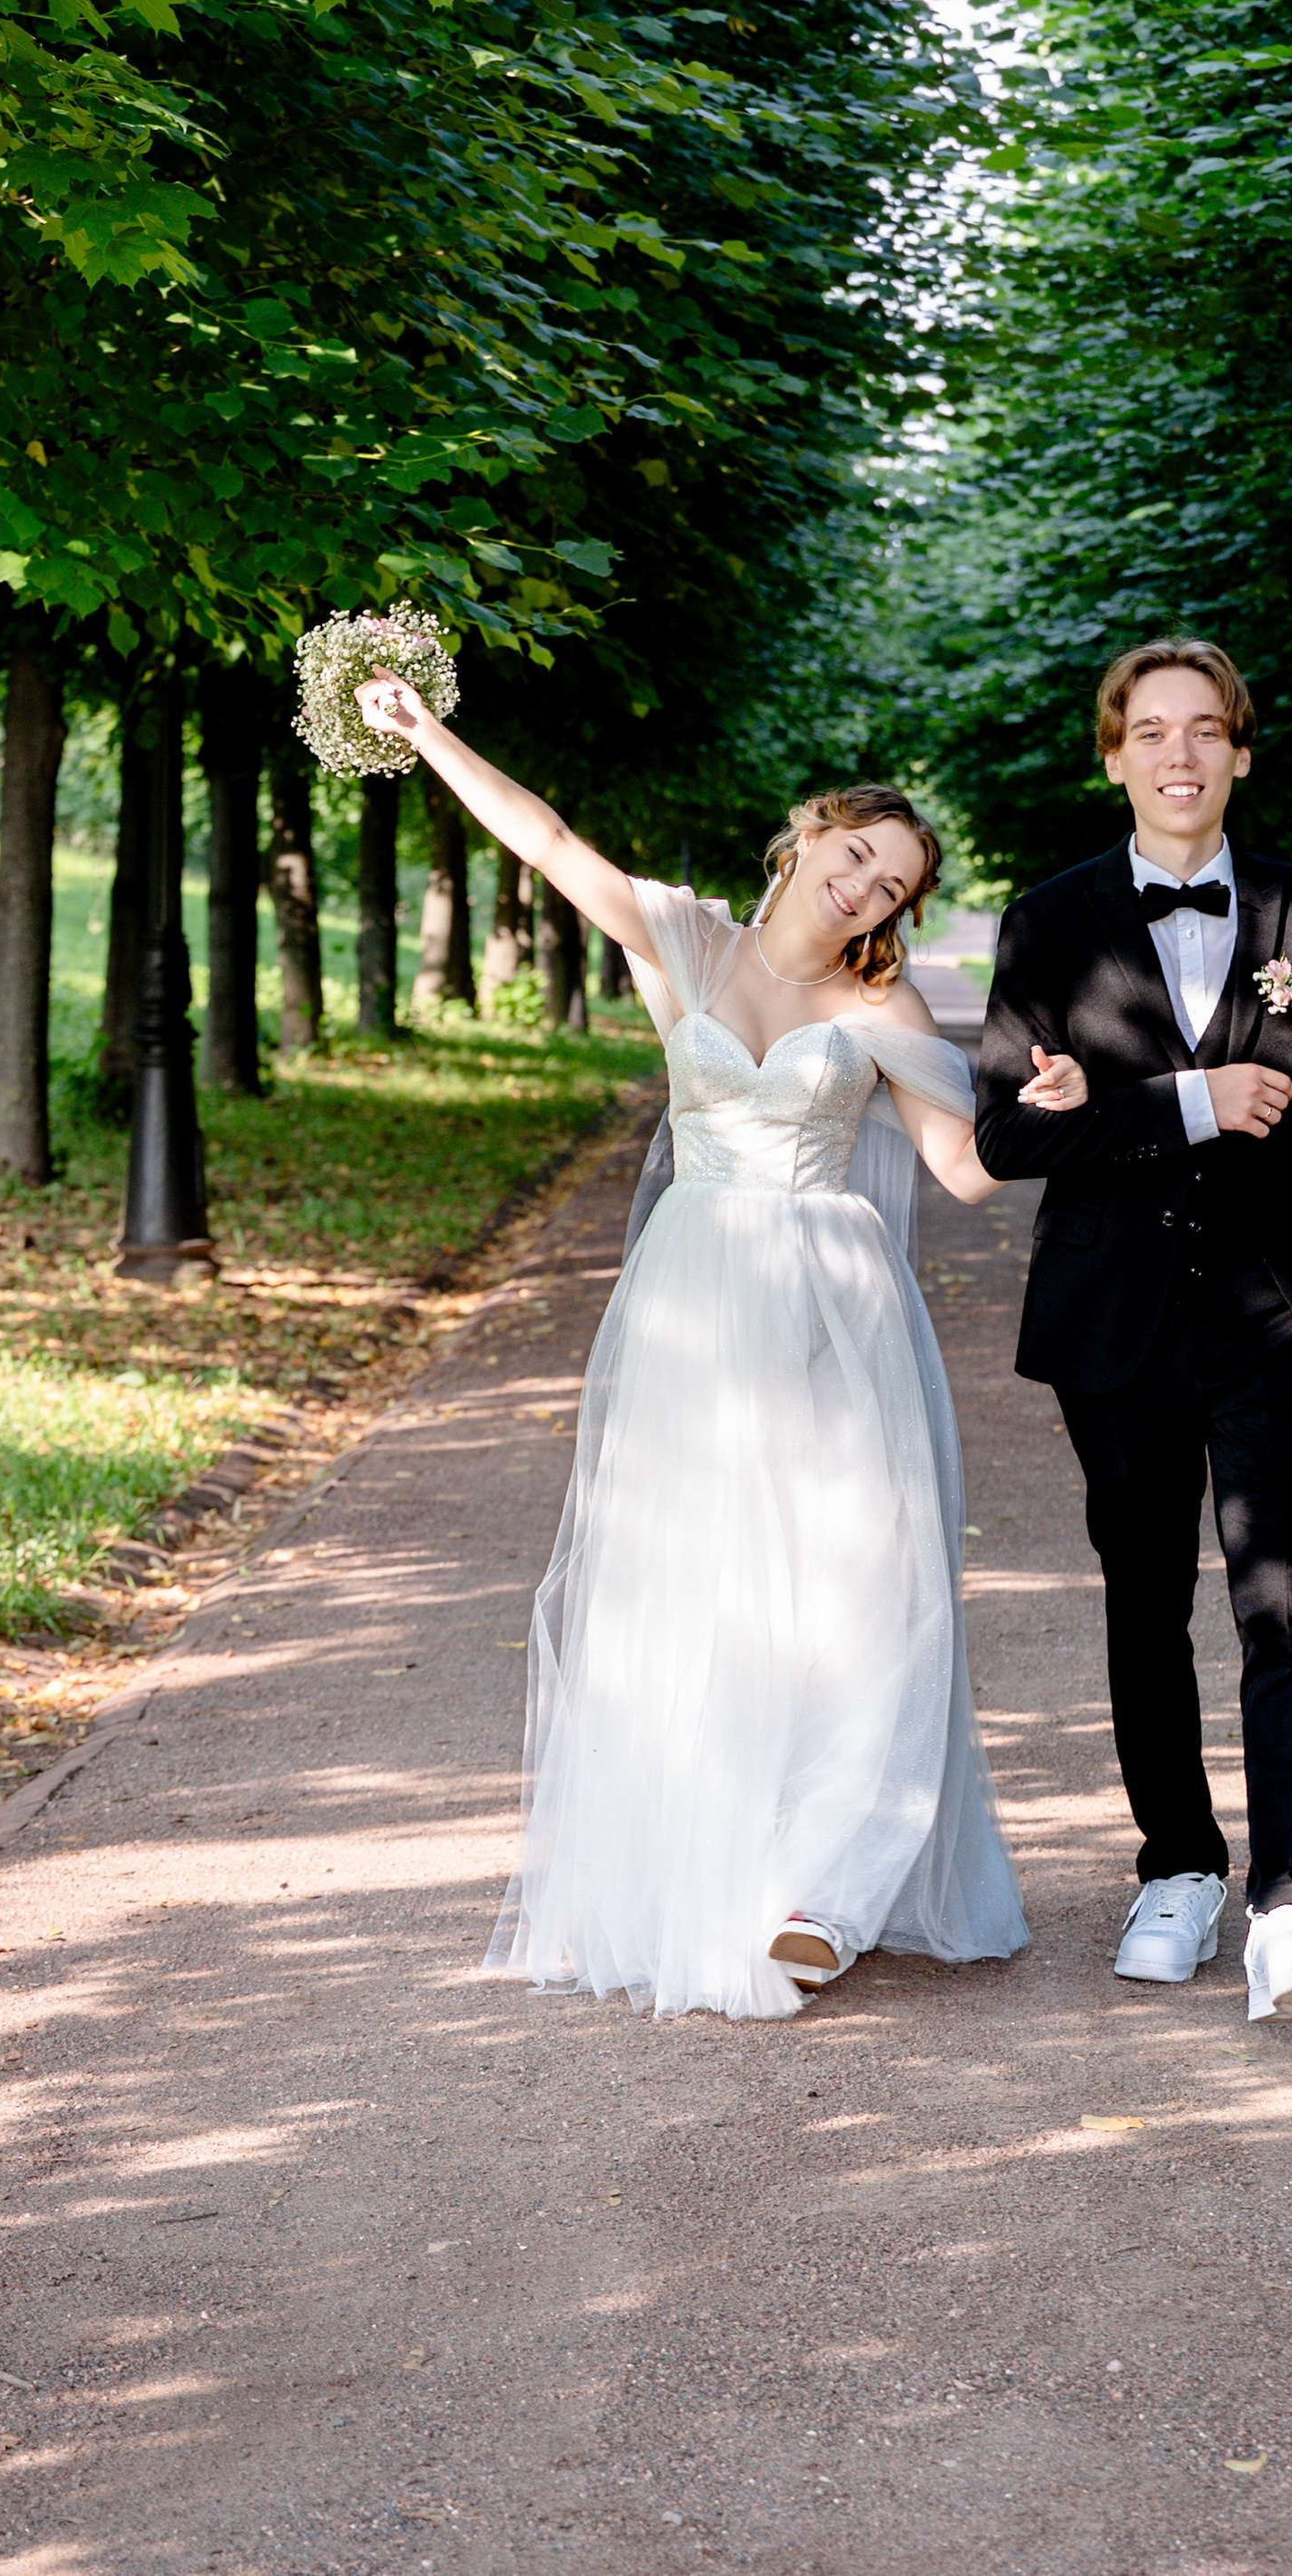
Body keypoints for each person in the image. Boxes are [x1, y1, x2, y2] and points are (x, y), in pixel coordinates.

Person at [354, 676, 1083, 2022]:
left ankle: (826, 1890)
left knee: (854, 1582)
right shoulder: (686, 940)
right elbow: (549, 843)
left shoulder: (885, 1012)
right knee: (695, 1583)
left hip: (832, 1303)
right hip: (692, 1301)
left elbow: (967, 1172)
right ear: (810, 834)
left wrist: (1054, 1110)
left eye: (893, 886)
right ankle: (700, 1865)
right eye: (857, 854)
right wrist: (424, 731)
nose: (864, 889)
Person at [973, 639, 1292, 2023]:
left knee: (1283, 1598)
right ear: (1114, 757)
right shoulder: (1049, 922)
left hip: (1277, 1316)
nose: (1180, 754)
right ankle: (1180, 1865)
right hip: (1116, 1325)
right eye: (1150, 732)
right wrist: (1186, 1102)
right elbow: (1005, 1136)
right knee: (1144, 1602)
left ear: (1241, 753)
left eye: (1206, 729)